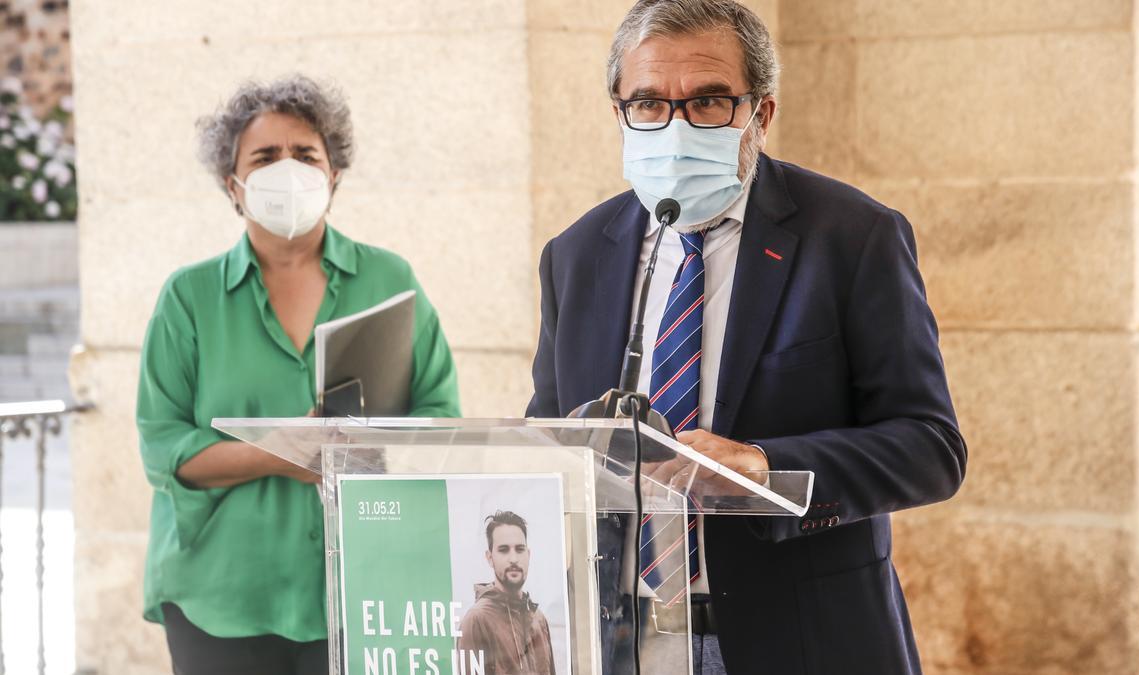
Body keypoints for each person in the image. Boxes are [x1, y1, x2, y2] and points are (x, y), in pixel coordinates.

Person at [525, 1, 968, 673]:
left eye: (707, 102)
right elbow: (549, 437)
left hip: (804, 638)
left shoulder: (851, 237)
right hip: (624, 642)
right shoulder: (577, 254)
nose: (674, 128)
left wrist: (765, 465)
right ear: (618, 111)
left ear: (760, 113)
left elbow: (930, 448)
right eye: (647, 103)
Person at [136, 75, 460, 674]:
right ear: (233, 186)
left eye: (305, 154)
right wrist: (288, 451)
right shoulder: (189, 296)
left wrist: (364, 446)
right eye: (264, 157)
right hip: (220, 595)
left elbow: (439, 418)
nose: (287, 169)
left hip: (367, 587)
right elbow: (164, 449)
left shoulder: (389, 280)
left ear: (333, 174)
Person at [458, 511, 556, 675]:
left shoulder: (539, 620)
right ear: (490, 558)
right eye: (504, 550)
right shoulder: (476, 620)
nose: (513, 558)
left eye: (519, 549)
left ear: (528, 555)